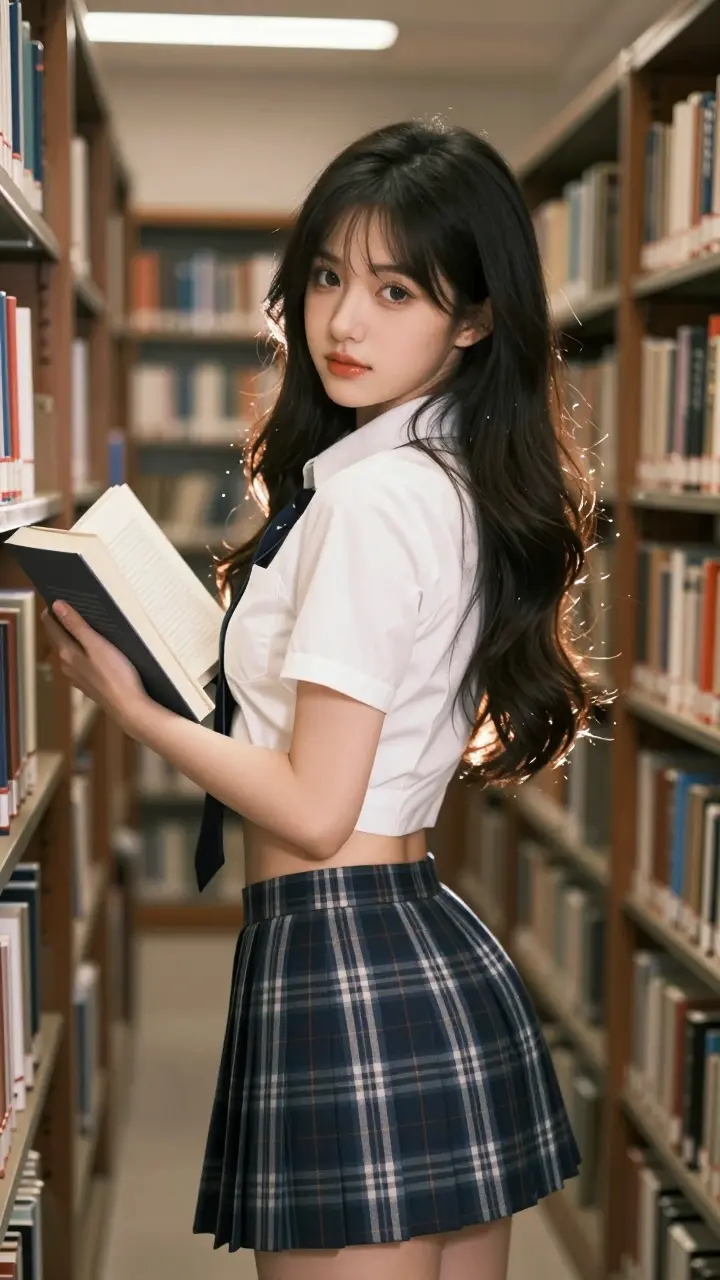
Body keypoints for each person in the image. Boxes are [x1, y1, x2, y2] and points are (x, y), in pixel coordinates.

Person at [43, 119, 598, 1280]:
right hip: (417, 937)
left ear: (474, 316)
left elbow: (312, 806)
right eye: (328, 278)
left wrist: (134, 708)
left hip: (339, 959)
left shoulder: (371, 501)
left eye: (397, 291)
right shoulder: (445, 477)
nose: (344, 323)